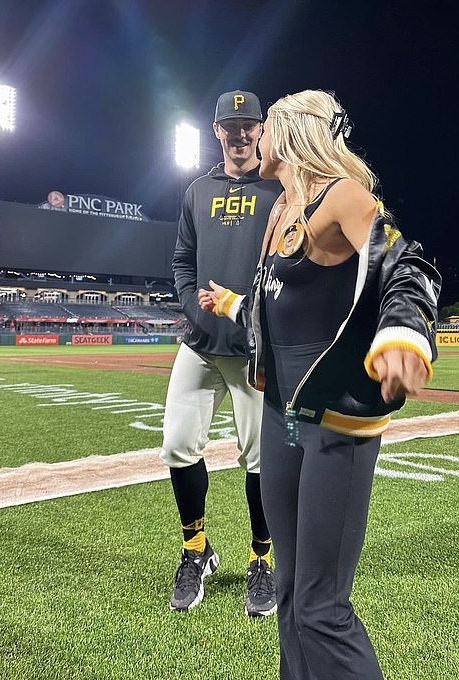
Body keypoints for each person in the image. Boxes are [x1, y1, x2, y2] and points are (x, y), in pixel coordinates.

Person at [199, 90, 441, 679]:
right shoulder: (282, 209)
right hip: (283, 418)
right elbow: (281, 304)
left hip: (336, 422)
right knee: (288, 588)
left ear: (292, 132)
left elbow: (407, 265)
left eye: (268, 126)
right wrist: (234, 305)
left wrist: (405, 334)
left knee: (320, 607)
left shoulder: (345, 197)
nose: (255, 138)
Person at [160, 90, 283, 616]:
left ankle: (263, 560)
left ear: (261, 130)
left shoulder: (280, 188)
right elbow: (182, 260)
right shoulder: (196, 190)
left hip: (252, 348)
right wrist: (194, 309)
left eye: (248, 125)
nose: (239, 134)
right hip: (200, 344)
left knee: (259, 459)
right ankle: (197, 550)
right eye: (229, 126)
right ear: (216, 131)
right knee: (177, 445)